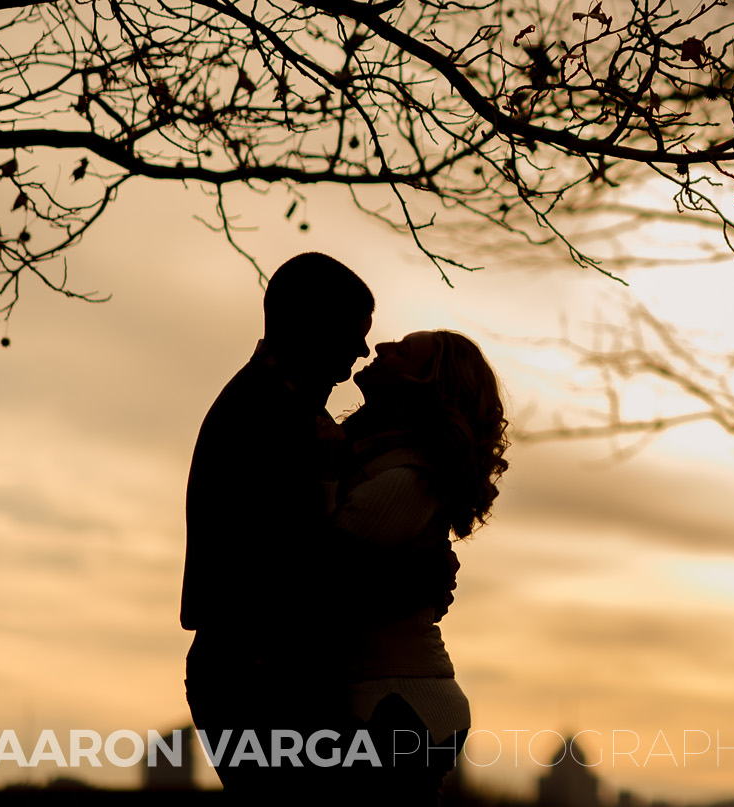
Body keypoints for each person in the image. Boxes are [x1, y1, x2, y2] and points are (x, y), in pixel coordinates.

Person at [181, 253, 453, 803]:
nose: (360, 353)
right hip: (259, 678)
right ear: (311, 326)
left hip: (267, 673)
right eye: (353, 335)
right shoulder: (265, 421)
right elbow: (302, 570)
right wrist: (416, 581)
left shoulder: (294, 412)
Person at [333, 329, 509, 804]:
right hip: (386, 699)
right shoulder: (376, 455)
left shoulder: (411, 480)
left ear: (424, 385)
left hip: (399, 704)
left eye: (403, 350)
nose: (380, 348)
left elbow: (311, 565)